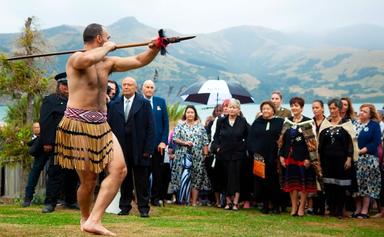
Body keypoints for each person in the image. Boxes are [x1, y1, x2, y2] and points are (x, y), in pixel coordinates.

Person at [55, 23, 160, 235]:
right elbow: (88, 59)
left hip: (101, 125)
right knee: (88, 181)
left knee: (120, 170)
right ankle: (85, 218)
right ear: (100, 39)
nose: (112, 39)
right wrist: (108, 47)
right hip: (77, 125)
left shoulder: (107, 63)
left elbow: (139, 60)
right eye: (108, 37)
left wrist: (154, 48)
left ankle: (94, 219)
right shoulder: (76, 58)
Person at [108, 77, 155, 217]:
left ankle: (143, 209)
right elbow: (109, 127)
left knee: (141, 180)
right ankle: (124, 207)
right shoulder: (114, 104)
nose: (126, 87)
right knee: (124, 179)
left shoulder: (144, 104)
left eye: (129, 85)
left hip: (140, 148)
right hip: (120, 148)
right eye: (124, 85)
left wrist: (148, 149)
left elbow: (151, 128)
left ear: (135, 87)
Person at [40, 73, 79, 213]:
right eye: (64, 85)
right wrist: (47, 142)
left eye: (69, 85)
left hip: (74, 143)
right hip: (57, 142)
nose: (67, 88)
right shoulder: (50, 100)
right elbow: (45, 122)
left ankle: (71, 200)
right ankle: (50, 202)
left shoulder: (77, 101)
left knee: (73, 174)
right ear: (59, 86)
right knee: (55, 173)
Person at [279, 97, 317, 217]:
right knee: (292, 184)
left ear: (302, 108)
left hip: (303, 157)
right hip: (289, 157)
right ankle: (294, 206)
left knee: (303, 184)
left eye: (296, 105)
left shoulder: (308, 122)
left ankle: (302, 207)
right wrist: (281, 156)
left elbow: (312, 143)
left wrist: (308, 158)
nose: (294, 108)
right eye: (292, 105)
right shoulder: (287, 121)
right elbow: (281, 141)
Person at [318, 98, 356, 219]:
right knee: (329, 186)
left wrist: (349, 158)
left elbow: (351, 143)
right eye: (330, 108)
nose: (332, 111)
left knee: (341, 186)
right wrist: (319, 159)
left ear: (340, 109)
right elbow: (320, 144)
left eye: (334, 108)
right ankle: (332, 209)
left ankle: (340, 210)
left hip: (342, 160)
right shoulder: (326, 123)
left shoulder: (346, 124)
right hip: (327, 160)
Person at [211, 99, 249, 211]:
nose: (231, 109)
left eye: (234, 107)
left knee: (236, 178)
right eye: (230, 107)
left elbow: (248, 136)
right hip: (223, 154)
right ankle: (228, 202)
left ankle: (236, 202)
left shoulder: (243, 121)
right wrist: (216, 148)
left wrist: (244, 147)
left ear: (238, 109)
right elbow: (216, 137)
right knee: (225, 178)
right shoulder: (221, 121)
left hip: (238, 154)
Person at [247, 101, 284, 214]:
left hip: (273, 156)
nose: (265, 111)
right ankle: (265, 205)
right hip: (259, 156)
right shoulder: (257, 122)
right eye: (263, 109)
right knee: (261, 182)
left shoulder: (279, 122)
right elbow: (251, 138)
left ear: (273, 110)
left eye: (268, 109)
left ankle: (276, 205)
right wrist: (253, 152)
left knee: (274, 182)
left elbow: (283, 138)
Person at [171, 105, 210, 206]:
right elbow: (174, 139)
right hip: (182, 156)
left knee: (196, 178)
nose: (190, 114)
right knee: (183, 176)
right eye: (188, 112)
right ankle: (184, 200)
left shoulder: (200, 127)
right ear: (185, 114)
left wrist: (205, 154)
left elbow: (205, 141)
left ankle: (194, 201)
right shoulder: (180, 125)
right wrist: (185, 143)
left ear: (195, 114)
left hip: (197, 157)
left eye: (192, 112)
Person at [142, 79, 169, 207]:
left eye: (151, 87)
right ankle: (143, 198)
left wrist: (163, 141)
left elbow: (166, 123)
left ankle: (155, 198)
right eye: (147, 87)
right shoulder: (139, 102)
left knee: (157, 173)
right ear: (142, 89)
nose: (149, 89)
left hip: (159, 146)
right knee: (143, 173)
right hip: (143, 146)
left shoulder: (160, 102)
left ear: (154, 89)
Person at [353, 104, 382, 219]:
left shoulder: (374, 125)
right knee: (356, 185)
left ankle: (365, 210)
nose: (361, 113)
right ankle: (358, 208)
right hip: (355, 159)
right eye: (360, 110)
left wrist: (361, 151)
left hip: (369, 159)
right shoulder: (354, 124)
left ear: (370, 114)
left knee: (367, 185)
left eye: (365, 111)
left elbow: (375, 143)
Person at [22, 122, 48, 207]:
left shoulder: (44, 136)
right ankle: (27, 199)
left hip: (48, 155)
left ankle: (52, 199)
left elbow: (31, 150)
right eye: (35, 127)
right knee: (33, 176)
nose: (36, 129)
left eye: (38, 127)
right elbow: (31, 151)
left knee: (51, 175)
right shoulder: (32, 139)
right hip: (39, 157)